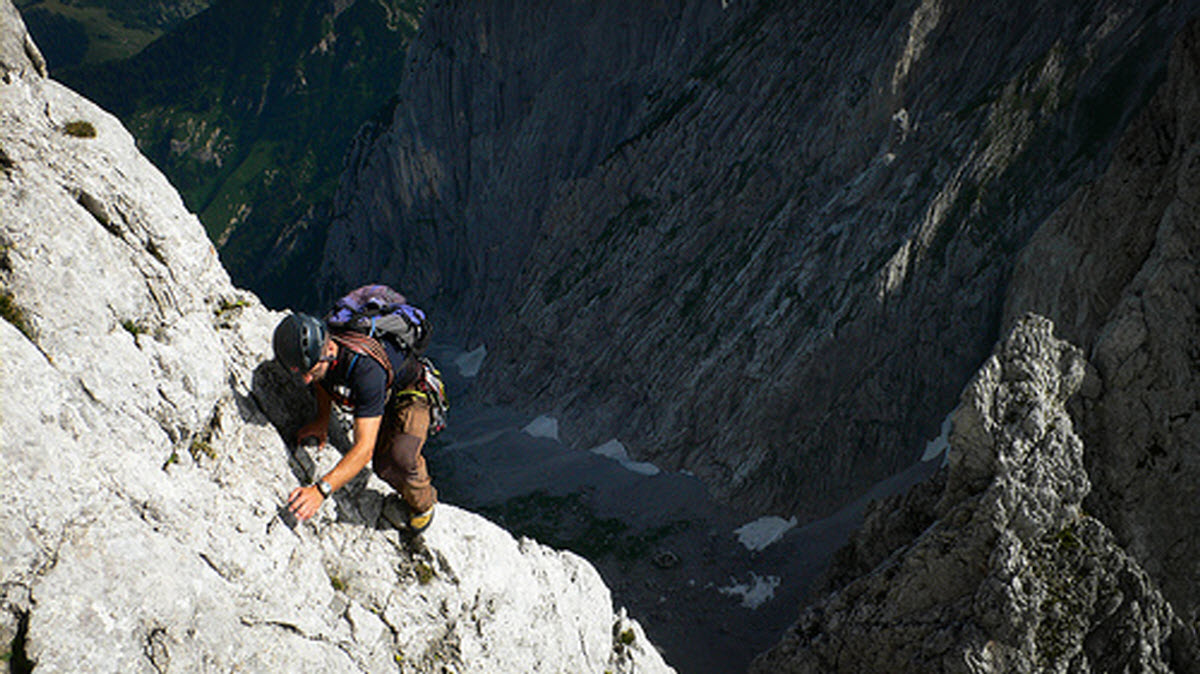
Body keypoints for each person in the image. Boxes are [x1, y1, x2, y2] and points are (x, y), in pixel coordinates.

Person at [272, 311, 439, 533]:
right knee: (384, 464)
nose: (306, 380)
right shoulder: (327, 345)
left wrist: (320, 491)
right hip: (380, 391)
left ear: (329, 350)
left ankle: (423, 505)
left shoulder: (365, 369)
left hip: (410, 394)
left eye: (310, 371)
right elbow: (324, 380)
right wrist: (322, 420)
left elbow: (364, 450)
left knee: (395, 460)